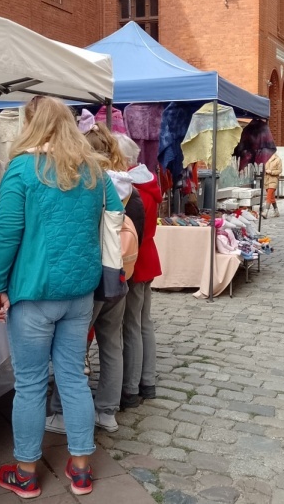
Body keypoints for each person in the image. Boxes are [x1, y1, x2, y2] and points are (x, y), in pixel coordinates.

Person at [0, 97, 122, 498]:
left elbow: (5, 233)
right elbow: (116, 214)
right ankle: (80, 469)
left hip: (33, 292)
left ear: (31, 124)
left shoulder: (22, 169)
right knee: (74, 378)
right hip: (79, 292)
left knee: (29, 385)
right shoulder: (94, 171)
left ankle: (26, 474)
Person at [47, 122, 143, 436]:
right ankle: (107, 412)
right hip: (119, 276)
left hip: (92, 276)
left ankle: (62, 413)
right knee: (111, 345)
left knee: (71, 348)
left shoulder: (89, 184)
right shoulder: (129, 186)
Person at [115, 134, 162, 410]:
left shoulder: (131, 188)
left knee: (132, 324)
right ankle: (147, 380)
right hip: (147, 256)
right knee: (144, 322)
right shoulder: (148, 182)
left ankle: (132, 387)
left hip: (135, 259)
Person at [261, 151, 283, 218]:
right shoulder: (266, 159)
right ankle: (276, 212)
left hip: (273, 180)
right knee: (272, 197)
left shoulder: (278, 159)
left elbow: (279, 170)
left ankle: (266, 212)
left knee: (269, 196)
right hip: (266, 180)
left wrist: (271, 172)